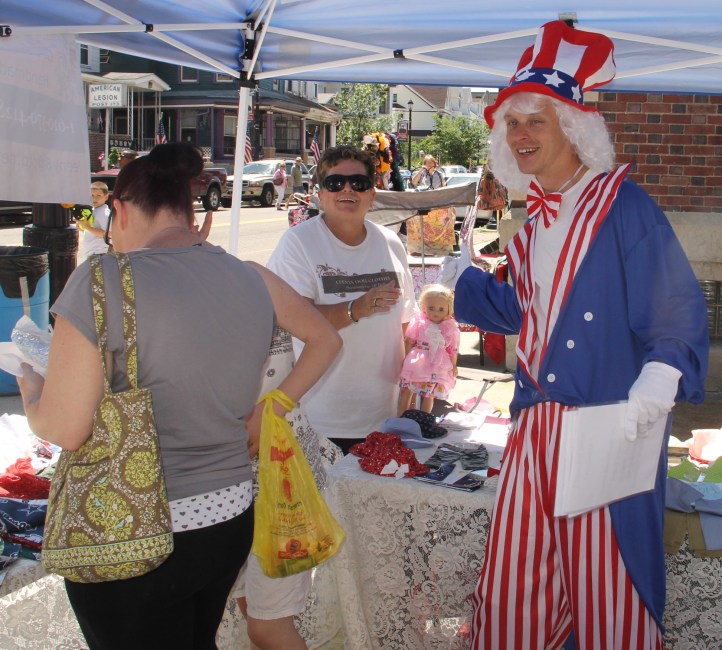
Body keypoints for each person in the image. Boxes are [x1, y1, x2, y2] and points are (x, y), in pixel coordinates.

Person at [17, 142, 341, 650]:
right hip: (229, 515)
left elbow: (65, 429)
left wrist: (31, 393)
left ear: (121, 209)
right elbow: (326, 339)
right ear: (189, 210)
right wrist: (273, 406)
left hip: (135, 524)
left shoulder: (101, 280)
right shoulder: (250, 276)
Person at [454, 21, 709, 649]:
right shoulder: (535, 221)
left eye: (535, 122)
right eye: (513, 123)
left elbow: (674, 302)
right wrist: (457, 282)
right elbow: (527, 309)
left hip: (605, 421)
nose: (521, 135)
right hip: (535, 424)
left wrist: (661, 377)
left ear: (572, 128)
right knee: (515, 584)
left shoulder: (623, 206)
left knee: (608, 587)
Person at [267, 144, 415, 455]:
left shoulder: (391, 243)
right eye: (335, 183)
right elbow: (291, 321)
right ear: (320, 193)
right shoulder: (298, 243)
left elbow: (405, 325)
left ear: (372, 194)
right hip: (319, 420)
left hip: (383, 418)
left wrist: (410, 394)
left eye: (358, 183)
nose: (347, 189)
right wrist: (355, 309)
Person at [232, 325, 339, 650]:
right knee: (249, 608)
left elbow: (326, 338)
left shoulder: (261, 289)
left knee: (267, 626)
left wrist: (271, 408)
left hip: (284, 477)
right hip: (225, 478)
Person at [398, 283, 459, 415]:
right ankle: (402, 415)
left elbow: (452, 349)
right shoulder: (419, 322)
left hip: (438, 363)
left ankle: (425, 418)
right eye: (431, 308)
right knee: (409, 388)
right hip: (418, 361)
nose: (436, 312)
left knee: (430, 393)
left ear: (448, 309)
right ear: (424, 307)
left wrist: (453, 364)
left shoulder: (450, 328)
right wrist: (406, 358)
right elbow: (410, 340)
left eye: (441, 309)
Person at [76, 181, 110, 259]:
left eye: (99, 195)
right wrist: (83, 228)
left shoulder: (104, 213)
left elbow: (108, 234)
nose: (94, 198)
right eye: (92, 195)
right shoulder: (95, 210)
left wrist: (87, 227)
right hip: (94, 253)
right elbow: (95, 230)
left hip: (98, 253)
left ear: (106, 197)